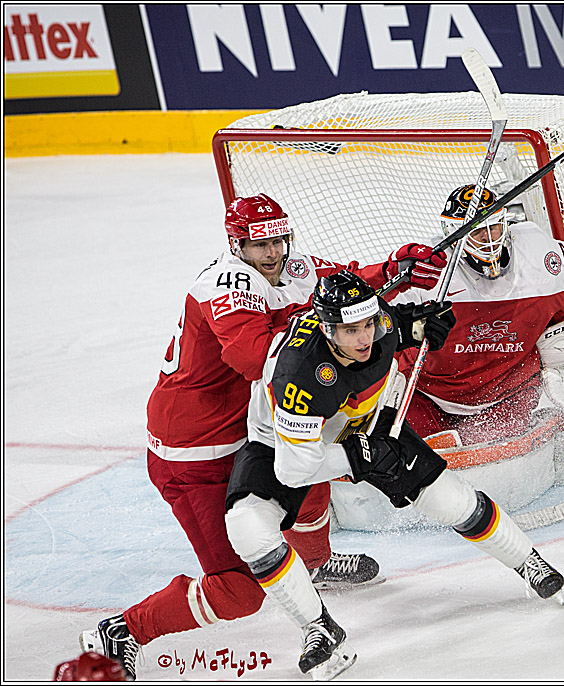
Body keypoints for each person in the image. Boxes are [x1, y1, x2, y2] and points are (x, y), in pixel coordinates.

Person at [79, 194, 447, 680]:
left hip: (248, 429)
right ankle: (122, 631)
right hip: (193, 451)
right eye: (259, 244)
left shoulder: (293, 266)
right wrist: (378, 330)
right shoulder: (227, 285)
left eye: (278, 239)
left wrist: (394, 266)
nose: (272, 253)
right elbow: (260, 359)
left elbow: (345, 284)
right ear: (237, 245)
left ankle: (313, 565)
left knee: (311, 476)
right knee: (239, 590)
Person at [223, 271, 564, 679]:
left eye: (368, 324)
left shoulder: (375, 323)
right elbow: (295, 469)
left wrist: (425, 325)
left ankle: (528, 561)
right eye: (351, 330)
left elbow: (400, 324)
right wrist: (355, 457)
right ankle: (317, 627)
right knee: (247, 527)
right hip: (281, 445)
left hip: (366, 424)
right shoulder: (300, 375)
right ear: (326, 328)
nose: (365, 338)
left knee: (449, 500)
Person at [391, 184, 564, 445]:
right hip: (428, 394)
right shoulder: (424, 275)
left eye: (495, 226)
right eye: (478, 231)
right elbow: (380, 331)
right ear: (453, 234)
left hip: (509, 392)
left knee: (495, 446)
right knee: (418, 455)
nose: (490, 239)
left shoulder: (543, 259)